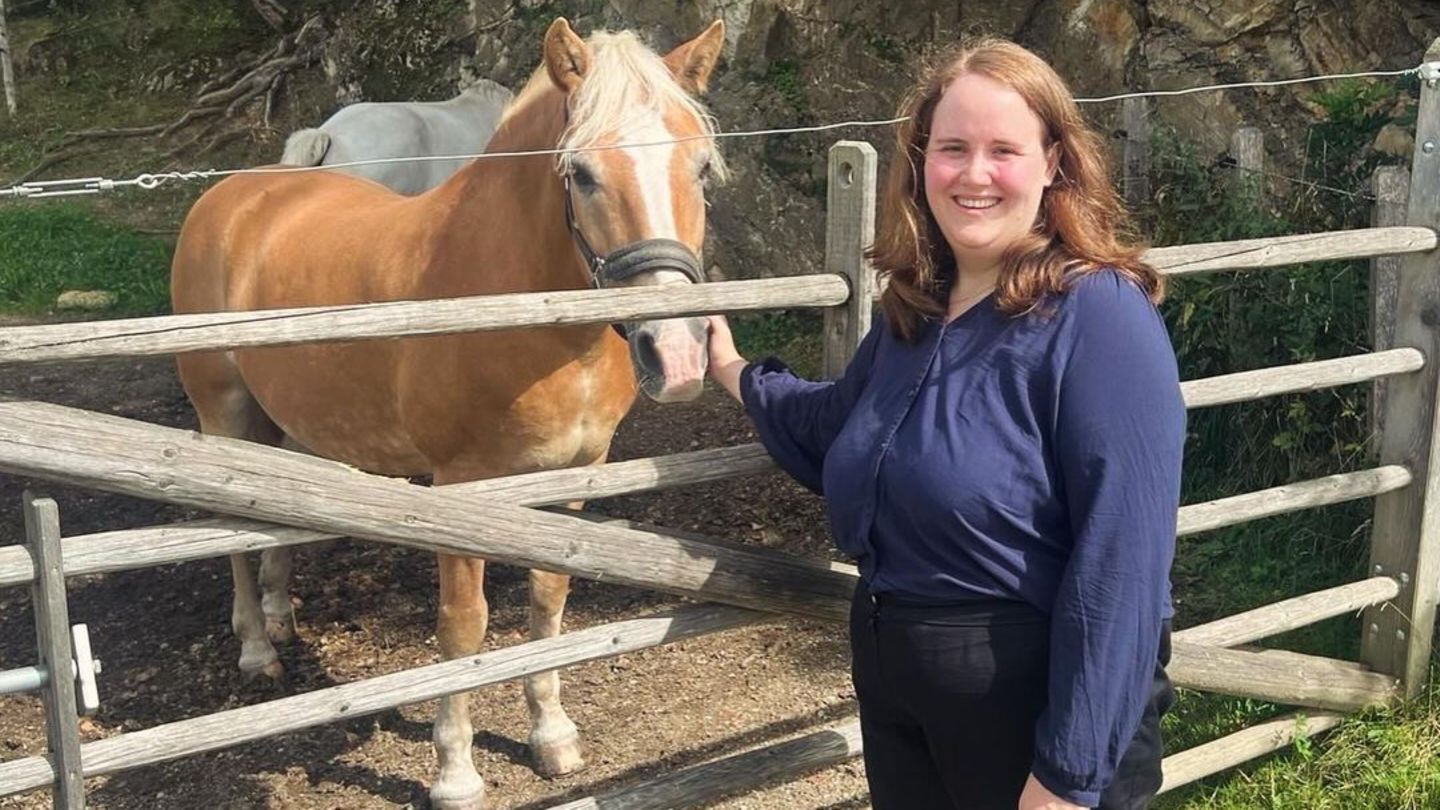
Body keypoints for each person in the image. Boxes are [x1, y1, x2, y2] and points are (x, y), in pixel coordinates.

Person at [706, 38, 1185, 810]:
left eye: (1004, 150)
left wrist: (1067, 778)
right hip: (903, 701)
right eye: (952, 148)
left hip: (1026, 721)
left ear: (1054, 161)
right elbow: (832, 426)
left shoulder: (1099, 317)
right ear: (921, 159)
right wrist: (731, 370)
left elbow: (1123, 568)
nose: (973, 174)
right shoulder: (917, 313)